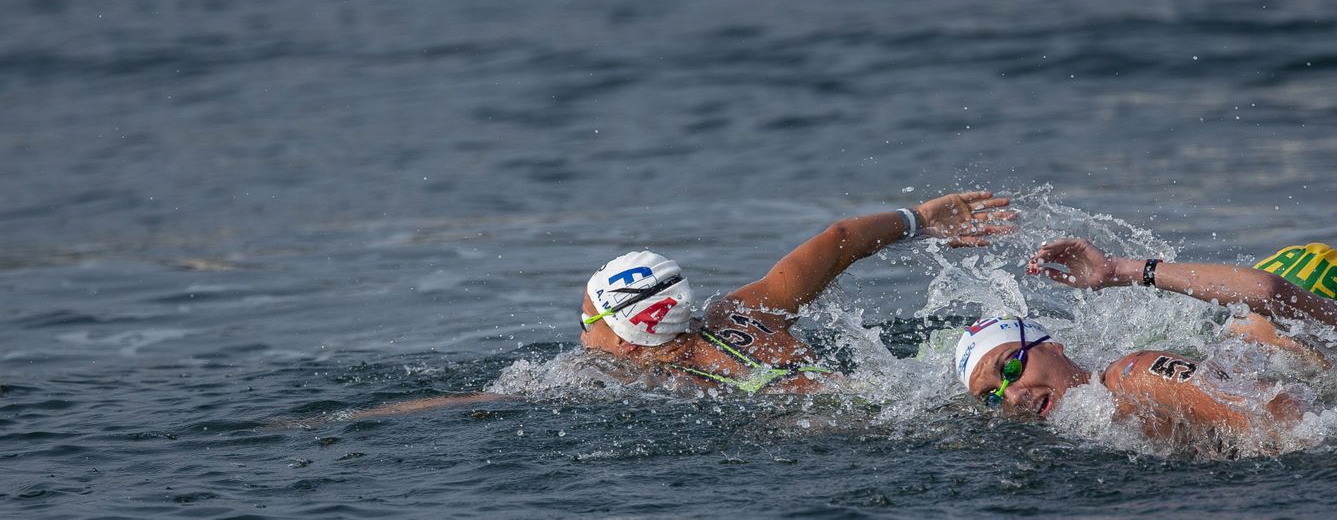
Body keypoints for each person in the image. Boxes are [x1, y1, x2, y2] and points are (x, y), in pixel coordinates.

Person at [349, 190, 1015, 418]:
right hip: (880, 388)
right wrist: (919, 218)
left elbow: (487, 403)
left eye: (587, 320)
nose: (581, 336)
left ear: (618, 332)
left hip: (821, 423)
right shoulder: (749, 311)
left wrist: (370, 414)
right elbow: (840, 241)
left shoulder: (617, 375)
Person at [952, 237, 1337, 452]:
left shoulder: (1135, 374)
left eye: (1010, 368)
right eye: (991, 395)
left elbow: (1294, 422)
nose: (1010, 396)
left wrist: (1124, 271)